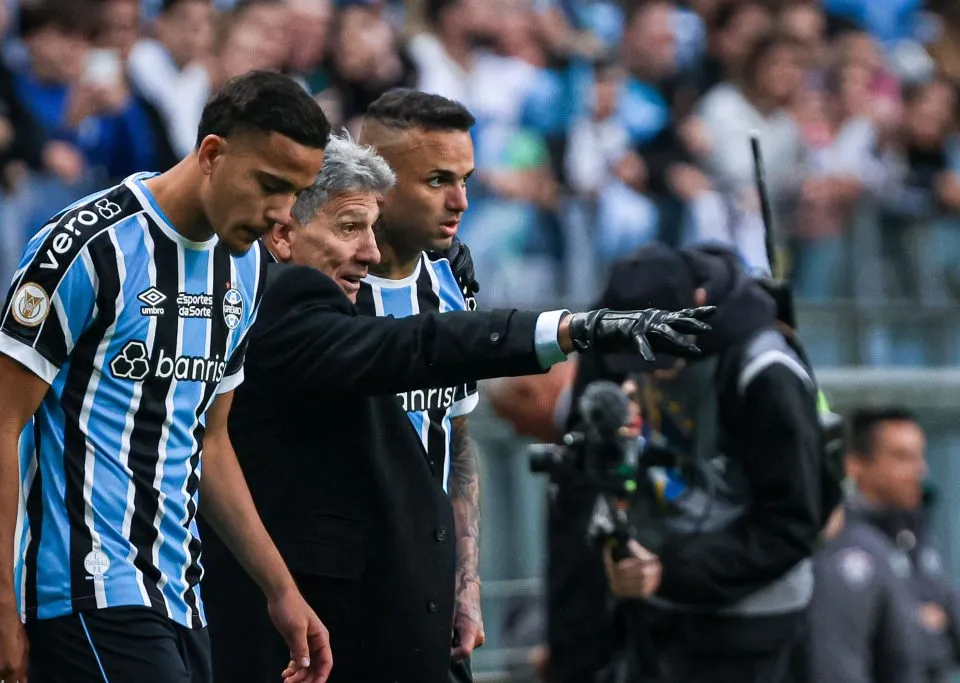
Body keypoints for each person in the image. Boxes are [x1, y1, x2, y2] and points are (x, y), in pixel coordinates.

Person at [200, 133, 713, 683]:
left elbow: (452, 436)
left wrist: (461, 588)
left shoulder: (414, 286)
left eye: (372, 228)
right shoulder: (281, 305)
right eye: (350, 228)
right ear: (283, 233)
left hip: (397, 621)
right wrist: (571, 328)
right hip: (310, 642)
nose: (369, 251)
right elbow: (421, 345)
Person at [0, 70, 334, 683]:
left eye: (295, 193)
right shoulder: (87, 246)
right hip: (83, 590)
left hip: (179, 597)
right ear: (212, 153)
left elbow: (208, 442)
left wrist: (281, 589)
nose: (279, 215)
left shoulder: (242, 271)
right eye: (270, 185)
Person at [585, 244, 834, 683]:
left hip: (749, 618)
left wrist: (669, 572)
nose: (651, 372)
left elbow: (793, 524)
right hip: (657, 600)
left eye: (661, 354)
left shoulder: (765, 374)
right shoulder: (625, 341)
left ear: (697, 303)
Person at [354, 88, 483, 679]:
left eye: (465, 178)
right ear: (378, 182)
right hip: (342, 590)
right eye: (437, 181)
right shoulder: (316, 285)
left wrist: (467, 583)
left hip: (427, 590)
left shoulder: (454, 278)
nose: (460, 201)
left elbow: (457, 438)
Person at [809, 407, 959, 683]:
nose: (919, 469)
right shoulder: (845, 550)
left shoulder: (913, 534)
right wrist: (922, 625)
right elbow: (838, 665)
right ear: (855, 465)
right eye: (902, 457)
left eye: (919, 456)